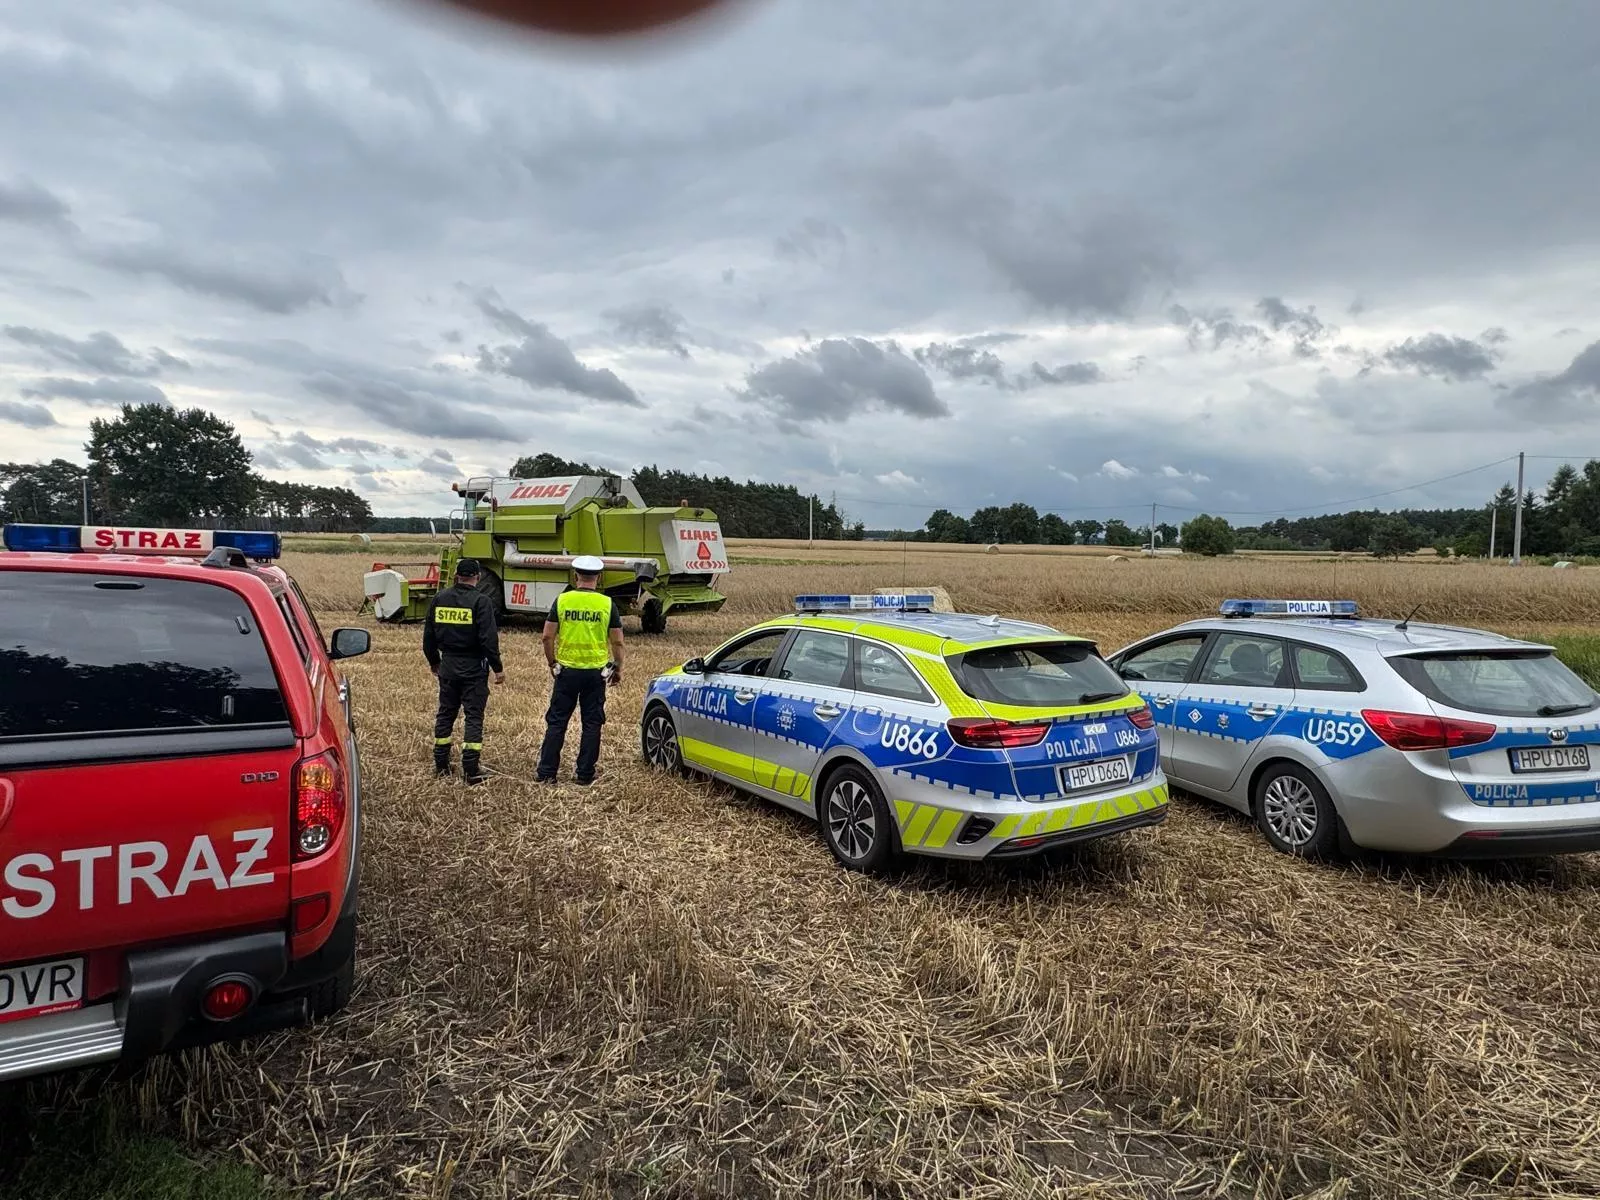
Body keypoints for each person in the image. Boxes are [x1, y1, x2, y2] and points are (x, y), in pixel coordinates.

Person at [535, 555, 623, 785]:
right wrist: (618, 667)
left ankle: (547, 773)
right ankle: (584, 774)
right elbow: (618, 642)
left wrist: (552, 662)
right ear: (599, 578)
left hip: (566, 672)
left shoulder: (562, 601)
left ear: (576, 577)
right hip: (595, 674)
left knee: (557, 721)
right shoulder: (607, 604)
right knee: (592, 724)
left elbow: (547, 636)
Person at [423, 558, 505, 785]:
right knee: (473, 716)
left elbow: (428, 635)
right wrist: (497, 668)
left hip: (447, 666)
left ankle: (441, 763)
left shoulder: (440, 599)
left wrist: (433, 661)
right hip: (474, 668)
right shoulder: (482, 601)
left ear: (457, 575)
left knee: (446, 713)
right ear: (478, 577)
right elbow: (488, 639)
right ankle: (470, 768)